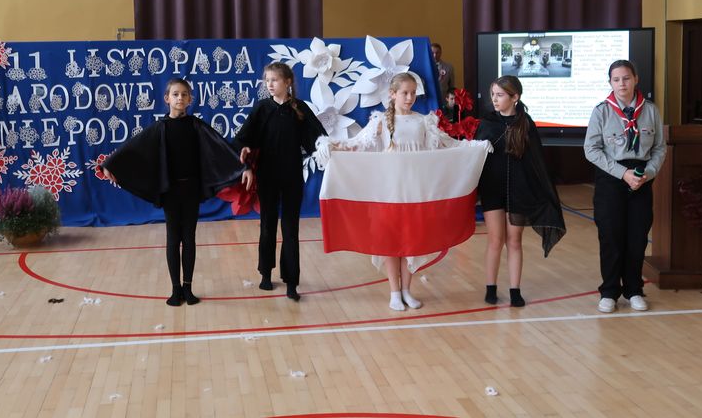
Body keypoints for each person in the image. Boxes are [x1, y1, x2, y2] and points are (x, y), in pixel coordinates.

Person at [323, 72, 489, 311]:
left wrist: (474, 146)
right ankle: (394, 292)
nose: (410, 97)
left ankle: (407, 291)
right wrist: (332, 146)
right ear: (393, 94)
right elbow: (358, 144)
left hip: (415, 192)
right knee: (390, 243)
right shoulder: (380, 121)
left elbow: (447, 143)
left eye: (413, 93)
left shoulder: (423, 121)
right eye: (405, 93)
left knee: (411, 242)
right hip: (389, 192)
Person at [101, 79, 251, 307]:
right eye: (175, 94)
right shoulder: (159, 128)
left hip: (191, 189)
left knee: (189, 238)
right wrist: (110, 164)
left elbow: (221, 148)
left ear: (190, 99)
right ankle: (175, 289)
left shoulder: (197, 126)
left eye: (184, 94)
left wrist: (243, 167)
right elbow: (133, 148)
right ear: (167, 98)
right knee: (173, 238)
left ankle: (188, 287)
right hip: (171, 191)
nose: (180, 98)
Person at [233, 62, 326, 301]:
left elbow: (318, 140)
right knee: (267, 225)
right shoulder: (262, 109)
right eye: (267, 80)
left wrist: (333, 150)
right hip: (267, 176)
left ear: (288, 82)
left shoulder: (300, 108)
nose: (270, 84)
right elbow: (242, 140)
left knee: (291, 229)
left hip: (292, 176)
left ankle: (291, 281)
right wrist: (246, 161)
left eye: (274, 80)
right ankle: (265, 273)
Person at [475, 76, 566, 306]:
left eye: (500, 95)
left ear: (515, 97)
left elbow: (536, 162)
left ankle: (515, 290)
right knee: (495, 239)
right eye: (493, 94)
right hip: (492, 189)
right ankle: (491, 287)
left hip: (519, 190)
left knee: (514, 240)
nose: (494, 99)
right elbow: (474, 157)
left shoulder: (526, 124)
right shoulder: (487, 123)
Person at [584, 60, 665, 313]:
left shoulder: (650, 110)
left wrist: (648, 173)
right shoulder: (602, 111)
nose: (622, 84)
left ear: (636, 79)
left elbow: (659, 148)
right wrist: (622, 174)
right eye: (616, 79)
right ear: (610, 82)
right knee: (611, 237)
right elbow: (591, 149)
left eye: (626, 78)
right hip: (612, 177)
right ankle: (609, 291)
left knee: (637, 237)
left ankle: (634, 290)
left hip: (641, 178)